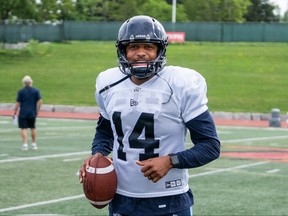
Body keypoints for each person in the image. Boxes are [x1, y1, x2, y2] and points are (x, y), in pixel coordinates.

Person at [80, 15, 220, 216]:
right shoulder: (107, 83)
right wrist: (98, 155)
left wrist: (171, 161)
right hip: (122, 199)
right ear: (123, 51)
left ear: (159, 50)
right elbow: (105, 131)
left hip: (170, 198)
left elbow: (210, 146)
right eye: (134, 47)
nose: (141, 53)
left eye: (148, 47)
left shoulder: (181, 83)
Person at [14, 75, 42, 150]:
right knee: (33, 127)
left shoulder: (21, 91)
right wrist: (38, 109)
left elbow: (18, 102)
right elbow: (40, 101)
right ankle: (34, 143)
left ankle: (25, 144)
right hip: (32, 112)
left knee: (23, 128)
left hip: (23, 112)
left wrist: (15, 111)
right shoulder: (36, 91)